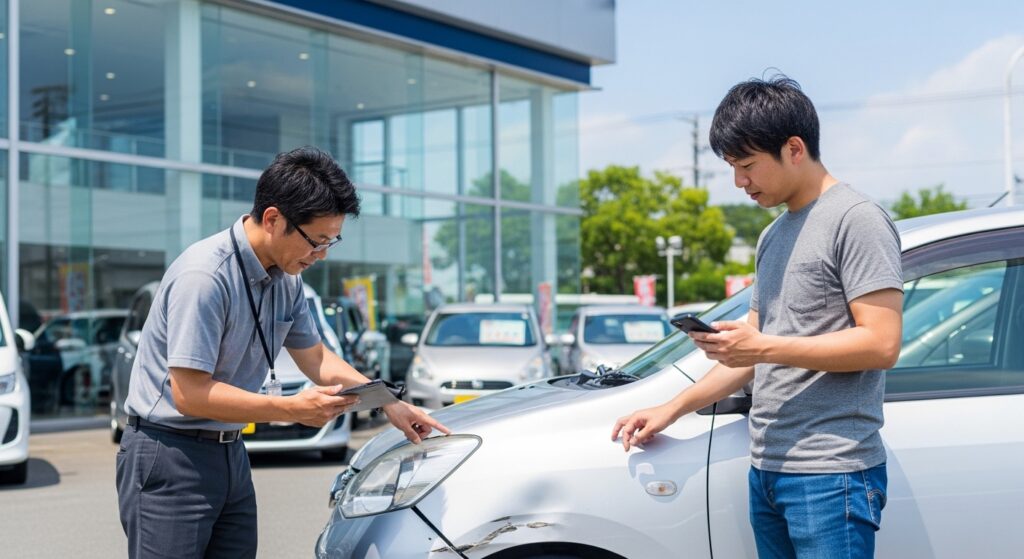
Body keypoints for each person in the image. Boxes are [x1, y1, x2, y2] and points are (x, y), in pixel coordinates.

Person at [612, 76, 903, 559]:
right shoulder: (772, 235)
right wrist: (672, 408)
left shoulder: (858, 219)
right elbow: (749, 354)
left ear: (794, 148)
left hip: (831, 472)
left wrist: (763, 345)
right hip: (768, 468)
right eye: (731, 167)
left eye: (746, 165)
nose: (739, 182)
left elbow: (881, 343)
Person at [116, 146, 450, 559]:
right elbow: (189, 394)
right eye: (317, 240)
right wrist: (290, 409)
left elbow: (316, 358)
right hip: (169, 454)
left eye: (333, 240)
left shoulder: (286, 277)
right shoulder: (204, 277)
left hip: (229, 450)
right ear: (273, 219)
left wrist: (389, 402)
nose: (323, 254)